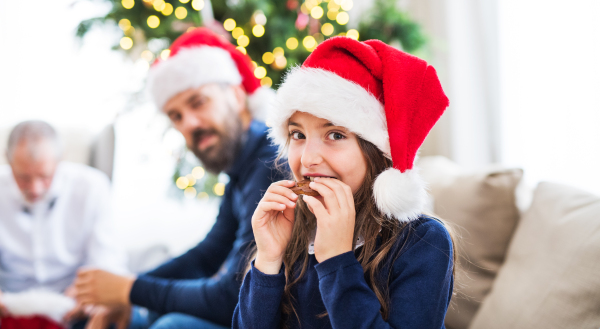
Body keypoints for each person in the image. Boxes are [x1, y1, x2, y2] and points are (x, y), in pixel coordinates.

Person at [234, 37, 456, 328]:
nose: (308, 159)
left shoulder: (422, 242)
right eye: (298, 135)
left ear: (375, 150)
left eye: (335, 135)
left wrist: (337, 260)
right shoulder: (293, 232)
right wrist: (267, 261)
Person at [74, 28, 282, 329]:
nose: (190, 124)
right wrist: (125, 291)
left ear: (237, 96)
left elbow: (235, 295)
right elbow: (206, 256)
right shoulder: (242, 166)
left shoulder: (271, 160)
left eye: (198, 102)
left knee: (170, 325)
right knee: (137, 316)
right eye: (176, 116)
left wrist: (128, 290)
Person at [0, 120, 126, 328]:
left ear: (61, 160)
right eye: (23, 177)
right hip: (9, 306)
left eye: (44, 176)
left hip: (73, 306)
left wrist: (88, 293)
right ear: (8, 160)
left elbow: (107, 258)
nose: (35, 189)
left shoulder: (92, 187)